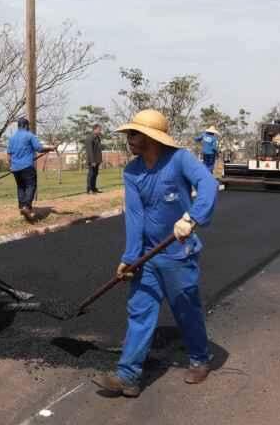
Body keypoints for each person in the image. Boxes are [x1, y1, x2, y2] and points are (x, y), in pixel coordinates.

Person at [93, 109, 218, 397]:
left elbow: (208, 184)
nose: (129, 140)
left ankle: (200, 358)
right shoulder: (132, 171)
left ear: (151, 138)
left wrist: (191, 218)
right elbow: (134, 217)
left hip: (179, 253)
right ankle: (128, 375)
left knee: (186, 310)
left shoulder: (180, 160)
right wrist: (130, 258)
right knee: (140, 310)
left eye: (133, 135)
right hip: (148, 256)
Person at [6, 117, 54, 221]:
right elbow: (39, 148)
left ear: (18, 126)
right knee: (31, 186)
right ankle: (26, 206)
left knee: (20, 187)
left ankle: (22, 207)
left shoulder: (12, 138)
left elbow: (9, 155)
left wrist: (10, 166)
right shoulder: (29, 135)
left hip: (15, 168)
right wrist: (50, 148)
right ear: (26, 126)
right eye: (28, 126)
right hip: (27, 166)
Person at [85, 124, 103, 194]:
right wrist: (92, 161)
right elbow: (90, 151)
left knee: (95, 174)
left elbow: (98, 149)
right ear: (94, 129)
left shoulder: (98, 137)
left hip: (97, 160)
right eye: (99, 129)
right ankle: (89, 189)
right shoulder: (89, 138)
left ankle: (94, 188)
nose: (100, 131)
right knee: (91, 174)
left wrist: (99, 160)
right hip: (92, 160)